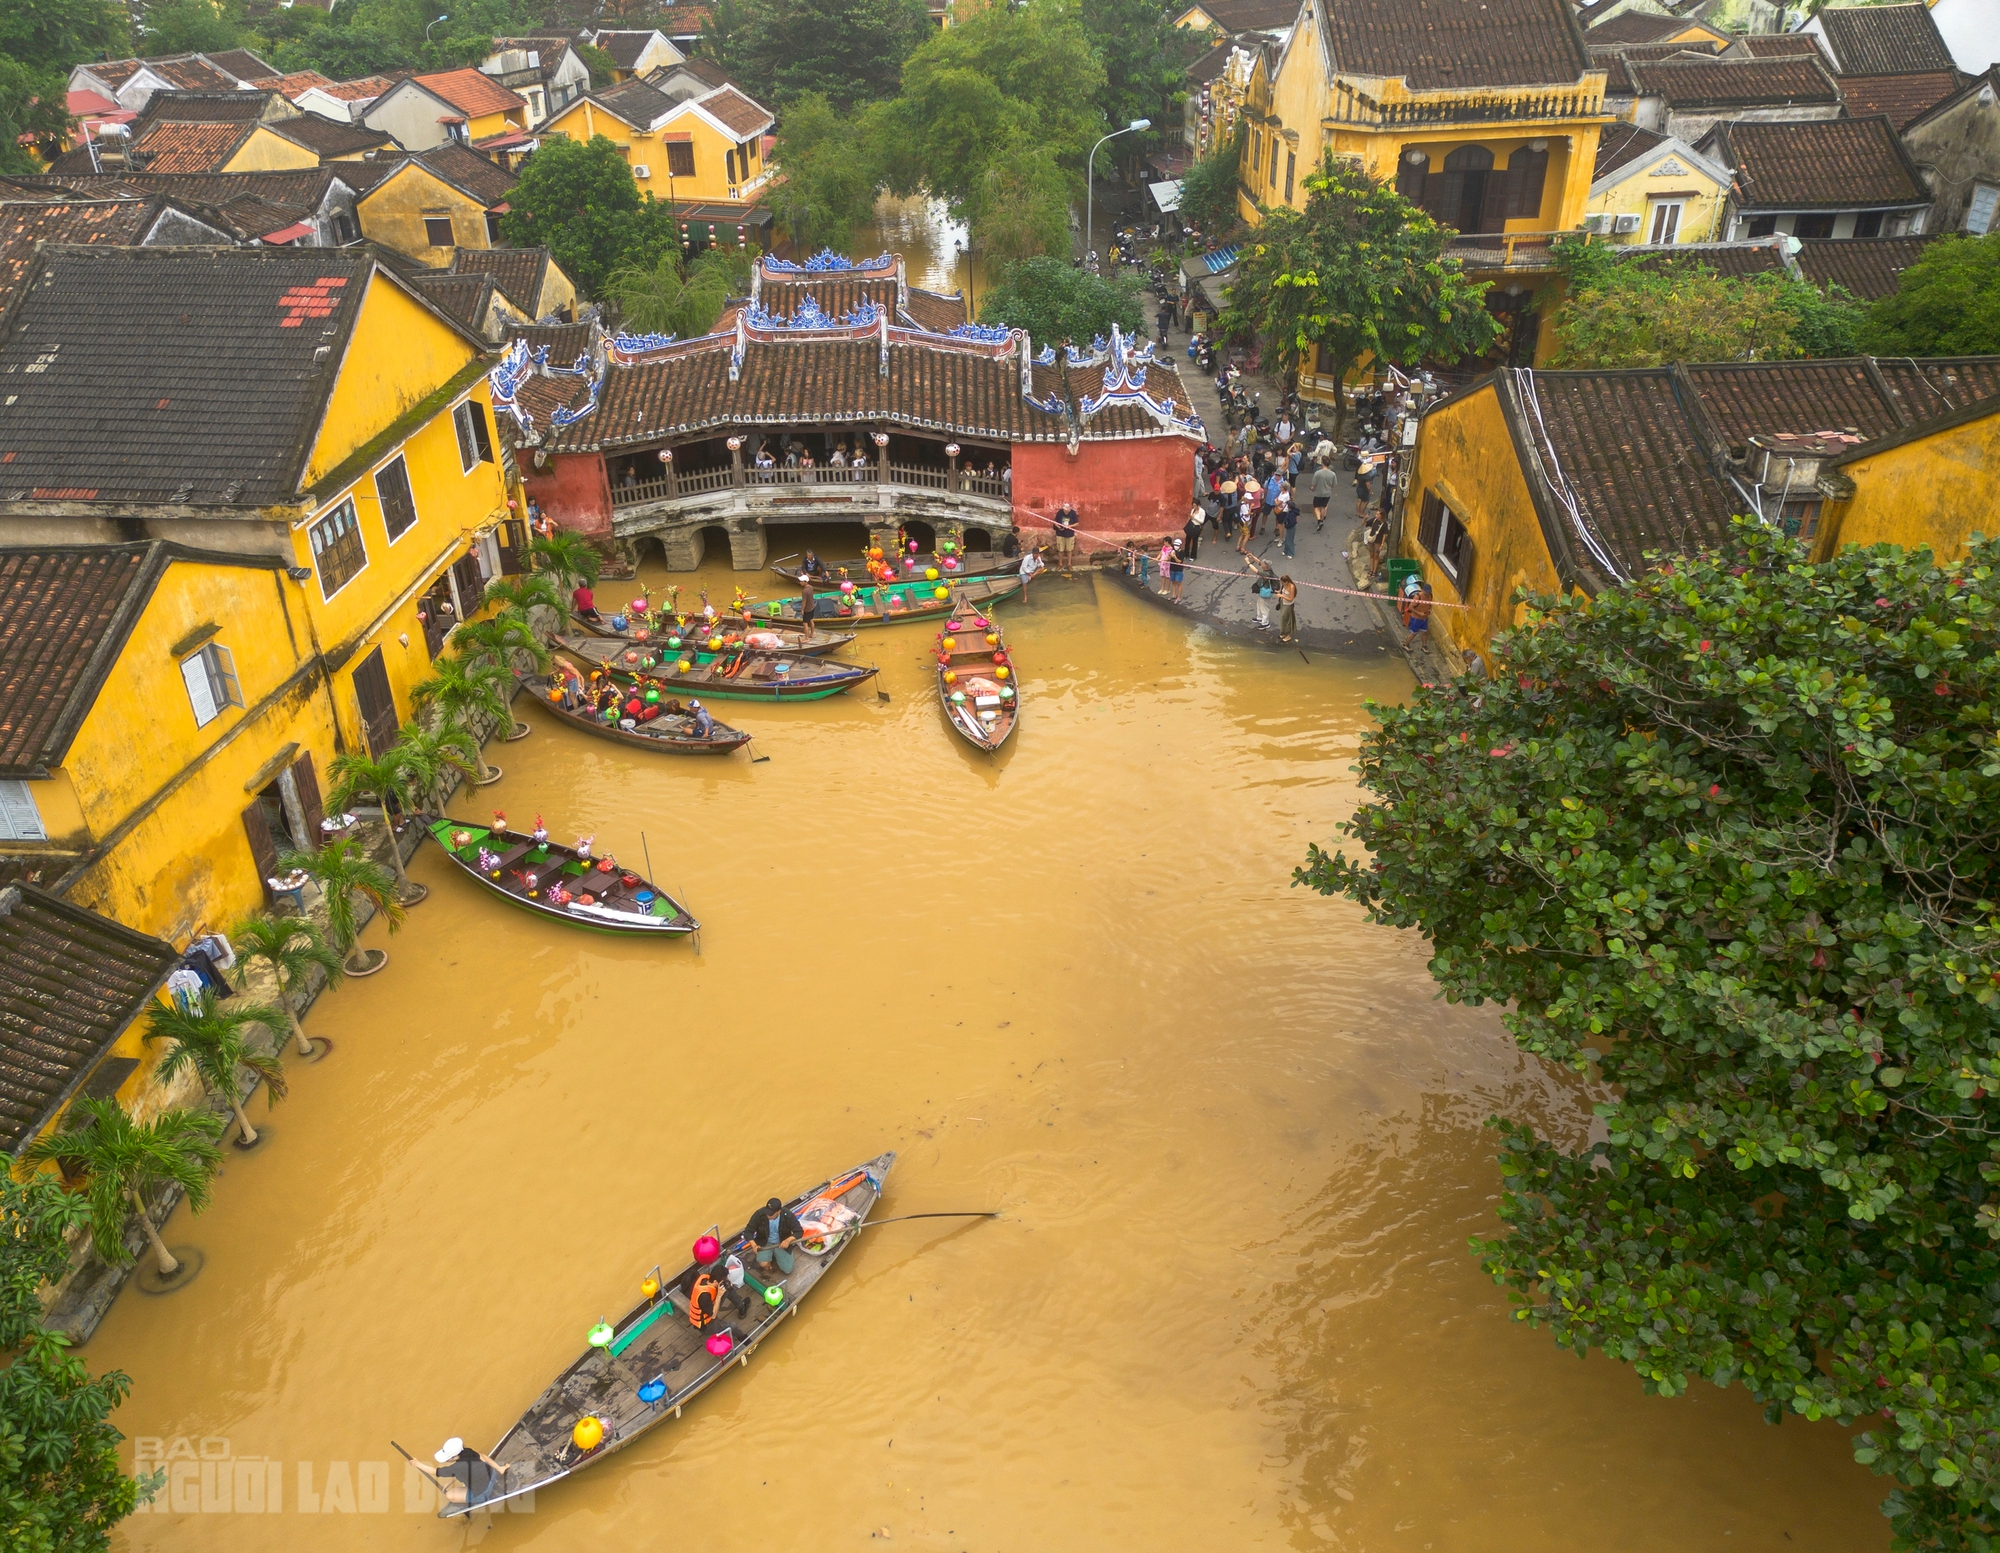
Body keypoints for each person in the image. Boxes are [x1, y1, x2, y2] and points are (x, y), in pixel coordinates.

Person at [413, 1439, 508, 1509]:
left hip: (483, 1493)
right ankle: (499, 1469)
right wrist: (449, 1483)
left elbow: (435, 1472)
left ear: (455, 1456)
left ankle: (477, 1500)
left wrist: (418, 1464)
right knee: (481, 1458)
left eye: (447, 1459)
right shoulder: (468, 1451)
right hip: (492, 1474)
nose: (447, 1461)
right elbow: (481, 1458)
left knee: (449, 1495)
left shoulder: (457, 1467)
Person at [742, 1196, 805, 1277]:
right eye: (767, 1213)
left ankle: (777, 1255)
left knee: (788, 1269)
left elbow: (799, 1231)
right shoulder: (759, 1214)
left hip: (781, 1243)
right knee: (763, 1264)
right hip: (765, 1243)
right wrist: (754, 1245)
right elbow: (748, 1231)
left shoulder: (788, 1215)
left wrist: (788, 1240)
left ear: (779, 1211)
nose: (768, 1216)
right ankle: (769, 1260)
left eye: (771, 1214)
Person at [1309, 459, 1338, 532]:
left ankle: (1319, 520)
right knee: (1323, 507)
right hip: (1327, 494)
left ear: (1322, 463)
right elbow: (1334, 485)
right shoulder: (1332, 474)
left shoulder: (1317, 473)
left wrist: (1312, 488)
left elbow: (1314, 484)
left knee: (1316, 507)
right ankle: (1322, 520)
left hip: (1318, 493)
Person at [1052, 503, 1078, 574]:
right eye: (1065, 510)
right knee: (1060, 550)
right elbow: (1055, 522)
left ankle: (1069, 564)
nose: (1066, 511)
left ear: (1069, 509)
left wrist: (1070, 526)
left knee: (1069, 550)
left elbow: (1077, 523)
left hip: (1069, 534)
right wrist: (1058, 526)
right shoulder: (1060, 512)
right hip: (1060, 534)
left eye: (1067, 510)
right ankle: (1060, 563)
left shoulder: (1073, 513)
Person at [1276, 574, 1299, 642]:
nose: (1282, 584)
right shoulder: (1284, 585)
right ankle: (1284, 633)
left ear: (1287, 581)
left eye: (1283, 582)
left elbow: (1291, 599)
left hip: (1288, 605)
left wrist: (1281, 596)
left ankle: (1287, 635)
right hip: (1283, 603)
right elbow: (1283, 591)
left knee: (1287, 619)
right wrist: (1278, 592)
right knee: (1283, 618)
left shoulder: (1291, 587)